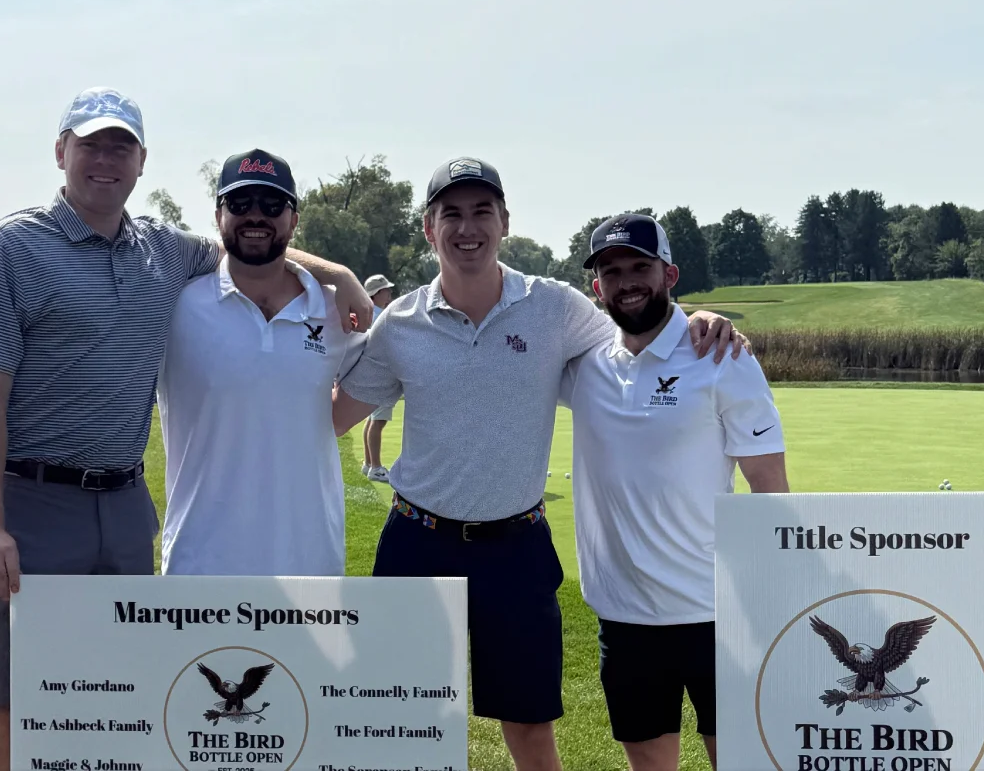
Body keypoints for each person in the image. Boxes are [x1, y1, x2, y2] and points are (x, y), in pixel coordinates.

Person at [0, 90, 372, 771]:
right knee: (7, 709)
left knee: (111, 703)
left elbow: (252, 248)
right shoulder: (13, 245)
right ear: (61, 152)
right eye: (89, 144)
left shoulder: (163, 254)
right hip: (33, 503)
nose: (104, 160)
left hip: (123, 510)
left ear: (141, 162)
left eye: (120, 147)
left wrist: (341, 273)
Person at [330, 156, 747, 771]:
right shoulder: (400, 324)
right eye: (452, 214)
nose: (467, 227)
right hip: (417, 544)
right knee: (402, 719)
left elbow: (637, 331)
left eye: (481, 212)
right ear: (428, 228)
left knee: (528, 726)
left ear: (503, 221)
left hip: (514, 548)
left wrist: (696, 320)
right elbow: (332, 418)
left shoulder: (554, 308)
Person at [561, 213, 789, 771]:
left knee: (740, 761)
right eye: (612, 271)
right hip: (624, 616)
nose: (627, 280)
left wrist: (780, 591)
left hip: (718, 615)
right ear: (597, 287)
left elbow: (769, 485)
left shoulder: (724, 357)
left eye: (641, 266)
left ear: (670, 274)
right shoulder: (583, 365)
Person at [156, 148, 365, 577]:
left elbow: (370, 392)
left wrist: (342, 278)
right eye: (240, 204)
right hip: (201, 563)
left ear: (294, 219)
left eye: (272, 206)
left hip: (310, 561)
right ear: (218, 215)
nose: (256, 217)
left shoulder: (336, 311)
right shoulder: (175, 305)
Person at [360, 272, 396, 480]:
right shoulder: (379, 315)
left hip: (372, 374)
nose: (389, 293)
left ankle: (368, 463)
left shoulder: (371, 312)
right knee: (379, 421)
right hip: (381, 374)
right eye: (386, 290)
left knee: (373, 418)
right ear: (376, 294)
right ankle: (376, 467)